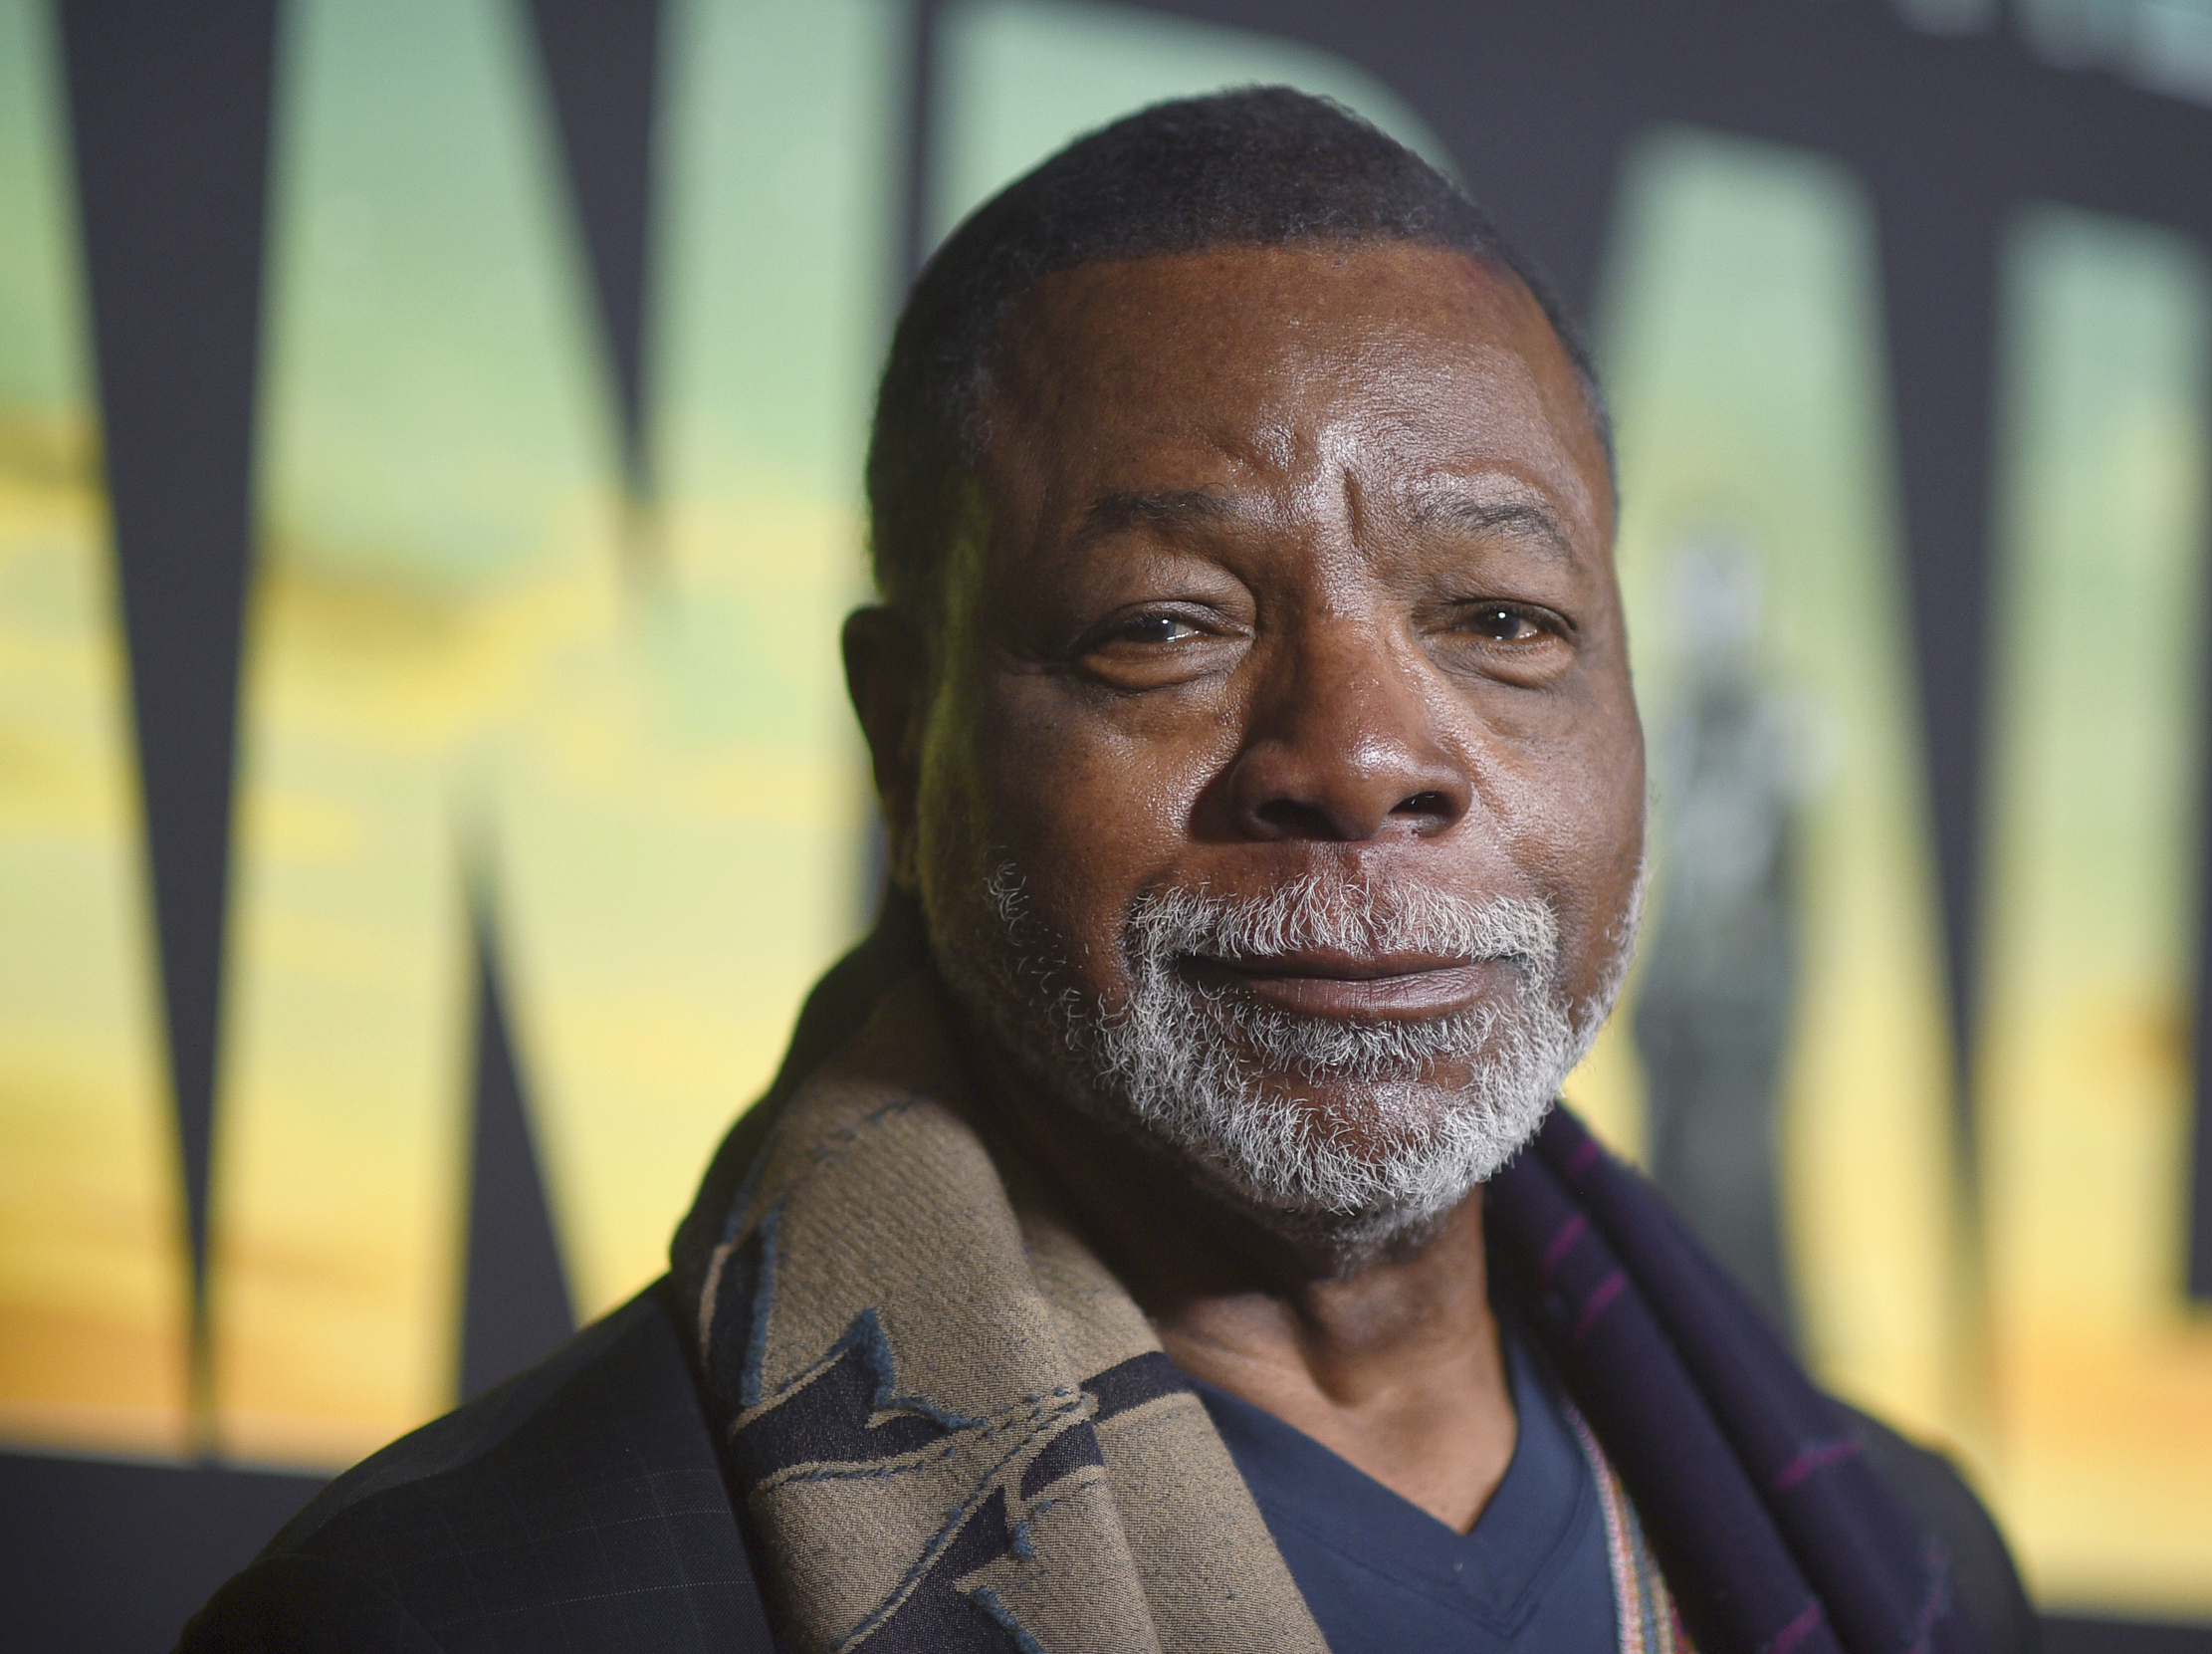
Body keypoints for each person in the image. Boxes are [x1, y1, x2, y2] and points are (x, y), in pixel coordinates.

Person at [182, 89, 2031, 1654]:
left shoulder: (1911, 1556)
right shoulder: (473, 1603)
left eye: (1503, 618)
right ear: (904, 741)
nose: (1371, 756)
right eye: (1166, 623)